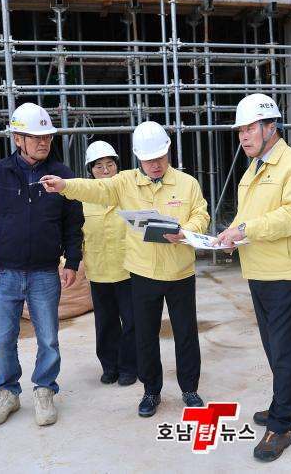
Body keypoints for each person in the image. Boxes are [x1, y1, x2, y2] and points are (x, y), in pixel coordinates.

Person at [40, 121, 210, 418]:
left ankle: (190, 388)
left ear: (168, 152)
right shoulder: (124, 183)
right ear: (137, 157)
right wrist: (65, 185)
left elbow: (201, 213)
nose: (155, 165)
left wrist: (186, 230)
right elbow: (96, 188)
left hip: (180, 273)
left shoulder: (187, 183)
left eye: (160, 157)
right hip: (143, 273)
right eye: (148, 159)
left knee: (186, 334)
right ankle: (151, 391)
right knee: (145, 335)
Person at [214, 93, 291, 462]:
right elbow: (248, 217)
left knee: (284, 350)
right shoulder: (253, 169)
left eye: (250, 128)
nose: (243, 136)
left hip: (287, 272)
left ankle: (281, 425)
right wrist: (231, 236)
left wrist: (244, 229)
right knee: (275, 347)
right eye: (240, 130)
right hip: (259, 270)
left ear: (271, 127)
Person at [0, 102, 83, 427]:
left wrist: (72, 260)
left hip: (45, 272)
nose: (43, 142)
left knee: (48, 338)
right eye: (36, 137)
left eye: (46, 136)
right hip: (4, 272)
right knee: (3, 340)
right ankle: (8, 392)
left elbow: (73, 222)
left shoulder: (61, 175)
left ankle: (45, 390)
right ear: (18, 139)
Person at [82, 140, 137, 386]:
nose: (105, 171)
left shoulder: (129, 194)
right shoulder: (83, 198)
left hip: (128, 269)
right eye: (99, 166)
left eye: (110, 164)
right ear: (90, 170)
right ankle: (110, 366)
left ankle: (129, 367)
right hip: (99, 270)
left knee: (132, 321)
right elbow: (74, 233)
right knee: (105, 322)